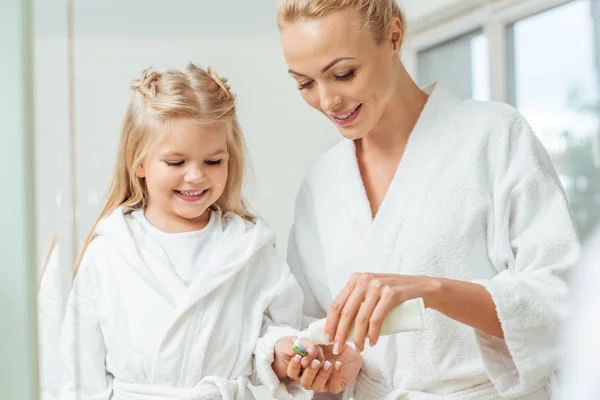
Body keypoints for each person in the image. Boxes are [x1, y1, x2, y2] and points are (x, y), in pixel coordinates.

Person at [275, 0, 581, 398]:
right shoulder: (321, 182)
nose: (328, 100)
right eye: (305, 83)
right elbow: (311, 322)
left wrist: (433, 291)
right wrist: (326, 363)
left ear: (394, 37)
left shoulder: (492, 135)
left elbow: (562, 299)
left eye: (344, 73)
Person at [53, 63, 361, 400]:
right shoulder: (110, 251)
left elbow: (276, 333)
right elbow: (78, 374)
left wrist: (284, 352)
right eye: (176, 162)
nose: (196, 176)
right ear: (137, 162)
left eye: (213, 161)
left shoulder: (249, 248)